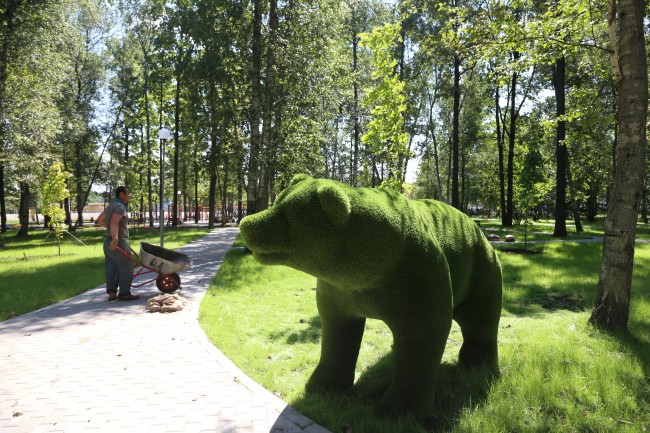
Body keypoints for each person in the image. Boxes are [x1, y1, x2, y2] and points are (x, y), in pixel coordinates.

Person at [96, 186, 139, 301]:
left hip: (107, 242)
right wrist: (115, 239)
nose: (130, 195)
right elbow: (115, 223)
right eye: (128, 193)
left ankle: (112, 293)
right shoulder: (120, 207)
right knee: (126, 267)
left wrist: (109, 230)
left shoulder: (111, 206)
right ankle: (124, 293)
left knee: (111, 267)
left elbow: (100, 219)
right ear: (121, 194)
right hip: (118, 242)